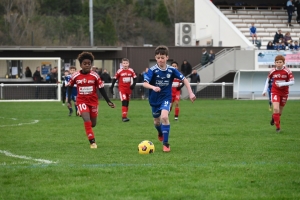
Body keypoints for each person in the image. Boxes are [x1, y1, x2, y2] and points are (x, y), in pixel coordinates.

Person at [143, 45, 196, 152]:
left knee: (165, 117)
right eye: (158, 58)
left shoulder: (171, 70)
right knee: (157, 122)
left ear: (167, 57)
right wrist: (153, 87)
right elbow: (144, 84)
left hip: (166, 98)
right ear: (155, 58)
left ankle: (166, 144)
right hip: (154, 100)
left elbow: (184, 79)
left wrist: (190, 93)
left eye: (162, 57)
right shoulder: (152, 70)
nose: (160, 60)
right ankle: (160, 132)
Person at [67, 52, 115, 149]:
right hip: (81, 100)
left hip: (93, 101)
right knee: (87, 120)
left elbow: (101, 89)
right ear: (80, 65)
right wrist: (68, 101)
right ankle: (92, 142)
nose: (87, 65)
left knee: (93, 124)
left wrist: (108, 101)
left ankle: (81, 112)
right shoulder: (75, 76)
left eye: (89, 63)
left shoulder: (95, 76)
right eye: (85, 64)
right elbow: (69, 87)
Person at [262, 55, 295, 133]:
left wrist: (282, 84)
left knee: (279, 112)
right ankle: (278, 128)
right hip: (275, 91)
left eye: (280, 62)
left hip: (284, 93)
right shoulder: (272, 71)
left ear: (283, 63)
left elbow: (292, 82)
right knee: (276, 109)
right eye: (277, 62)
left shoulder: (287, 71)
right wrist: (264, 90)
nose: (278, 64)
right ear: (275, 63)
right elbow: (268, 80)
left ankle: (274, 117)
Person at [110, 58, 137, 122]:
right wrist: (111, 87)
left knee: (127, 102)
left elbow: (135, 78)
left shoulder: (131, 70)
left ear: (128, 64)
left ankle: (125, 116)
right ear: (122, 64)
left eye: (126, 63)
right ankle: (124, 117)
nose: (125, 65)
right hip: (122, 89)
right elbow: (114, 79)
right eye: (124, 63)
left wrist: (133, 85)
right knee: (124, 101)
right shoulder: (119, 71)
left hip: (128, 89)